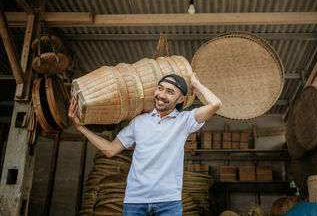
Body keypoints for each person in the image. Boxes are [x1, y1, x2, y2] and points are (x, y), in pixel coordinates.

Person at [68, 73, 221, 216]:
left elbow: (215, 104)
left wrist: (196, 83)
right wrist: (80, 127)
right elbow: (110, 150)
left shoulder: (184, 121)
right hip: (135, 201)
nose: (161, 95)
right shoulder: (139, 122)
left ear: (181, 99)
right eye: (160, 88)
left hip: (168, 201)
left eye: (170, 92)